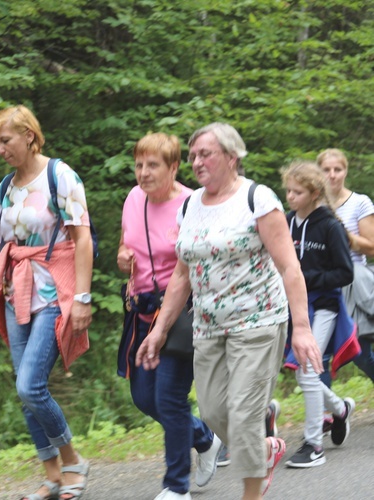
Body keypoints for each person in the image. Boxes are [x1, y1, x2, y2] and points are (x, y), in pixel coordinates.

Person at [136, 122, 322, 500]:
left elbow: (290, 267)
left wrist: (301, 328)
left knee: (242, 413)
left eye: (205, 154)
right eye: (192, 156)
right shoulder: (189, 206)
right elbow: (181, 277)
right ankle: (265, 448)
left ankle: (251, 492)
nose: (196, 162)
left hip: (258, 322)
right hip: (206, 327)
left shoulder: (257, 199)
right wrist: (158, 330)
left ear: (232, 157)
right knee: (213, 414)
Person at [0, 105, 93, 500]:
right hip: (13, 294)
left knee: (30, 386)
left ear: (28, 134)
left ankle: (73, 460)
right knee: (25, 389)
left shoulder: (61, 176)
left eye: (4, 141)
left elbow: (83, 239)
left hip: (53, 293)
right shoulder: (5, 187)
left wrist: (82, 298)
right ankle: (52, 476)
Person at [116, 133, 220, 500]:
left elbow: (196, 265)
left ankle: (177, 487)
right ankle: (204, 439)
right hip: (142, 312)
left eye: (153, 165)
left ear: (174, 168)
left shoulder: (193, 204)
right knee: (145, 399)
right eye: (139, 165)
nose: (143, 173)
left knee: (170, 398)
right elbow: (125, 245)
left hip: (182, 314)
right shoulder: (132, 198)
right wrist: (123, 259)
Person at [281, 160, 357, 468]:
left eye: (297, 192)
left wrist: (306, 278)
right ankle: (339, 410)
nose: (290, 197)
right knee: (304, 372)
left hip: (324, 306)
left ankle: (314, 444)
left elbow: (345, 272)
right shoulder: (285, 222)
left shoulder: (330, 225)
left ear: (314, 193)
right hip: (292, 307)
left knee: (308, 372)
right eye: (288, 190)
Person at [317, 148, 374, 384]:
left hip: (351, 284)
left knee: (359, 353)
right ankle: (326, 416)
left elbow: (371, 247)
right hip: (319, 284)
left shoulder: (359, 202)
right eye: (326, 170)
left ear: (345, 172)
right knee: (319, 354)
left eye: (337, 169)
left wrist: (341, 235)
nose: (332, 175)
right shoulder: (311, 205)